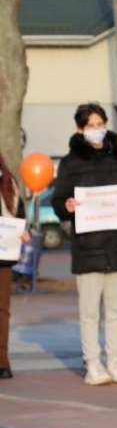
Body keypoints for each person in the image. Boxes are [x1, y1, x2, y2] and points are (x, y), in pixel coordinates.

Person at [51, 103, 117, 386]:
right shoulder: (70, 163)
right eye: (90, 125)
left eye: (100, 124)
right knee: (90, 312)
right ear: (80, 129)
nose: (97, 130)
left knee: (116, 309)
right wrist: (67, 206)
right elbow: (58, 201)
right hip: (87, 246)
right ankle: (93, 364)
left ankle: (115, 362)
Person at [0, 152, 28, 380]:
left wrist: (22, 231)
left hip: (3, 256)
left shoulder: (9, 183)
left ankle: (2, 361)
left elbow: (19, 214)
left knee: (2, 310)